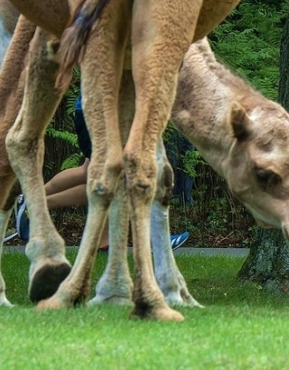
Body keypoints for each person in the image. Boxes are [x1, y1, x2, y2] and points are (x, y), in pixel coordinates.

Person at [10, 90, 189, 250]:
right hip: (103, 112)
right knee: (114, 180)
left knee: (88, 172)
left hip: (97, 109)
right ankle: (35, 206)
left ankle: (32, 201)